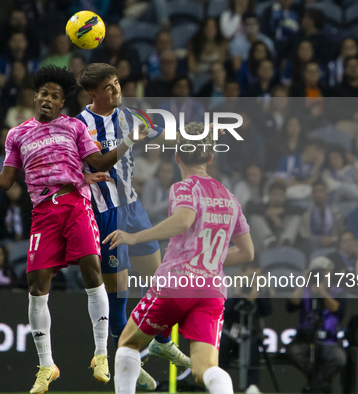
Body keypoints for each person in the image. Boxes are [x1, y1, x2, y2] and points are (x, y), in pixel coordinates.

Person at [0, 66, 150, 393]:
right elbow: (8, 179)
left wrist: (127, 141)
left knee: (91, 269)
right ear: (35, 97)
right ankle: (46, 366)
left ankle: (100, 355)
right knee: (36, 285)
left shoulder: (74, 127)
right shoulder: (17, 134)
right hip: (43, 211)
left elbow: (98, 163)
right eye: (44, 94)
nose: (48, 100)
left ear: (61, 103)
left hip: (75, 203)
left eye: (55, 96)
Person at [105, 122, 254, 394]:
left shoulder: (184, 188)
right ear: (210, 158)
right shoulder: (231, 198)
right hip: (212, 290)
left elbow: (183, 220)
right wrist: (209, 260)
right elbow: (247, 252)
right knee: (204, 370)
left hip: (177, 283)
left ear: (177, 157)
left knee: (128, 343)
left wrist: (136, 237)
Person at [76, 63, 190, 390]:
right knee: (119, 297)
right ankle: (127, 357)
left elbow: (166, 134)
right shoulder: (80, 126)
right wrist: (81, 176)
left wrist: (199, 136)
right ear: (92, 94)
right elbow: (85, 164)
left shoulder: (130, 115)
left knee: (162, 281)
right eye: (109, 88)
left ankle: (161, 341)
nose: (116, 92)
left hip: (134, 208)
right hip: (106, 213)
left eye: (117, 84)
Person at [286, 257, 347, 394]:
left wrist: (322, 293)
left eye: (325, 272)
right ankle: (319, 385)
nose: (322, 275)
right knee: (293, 352)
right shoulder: (305, 290)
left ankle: (313, 387)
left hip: (328, 341)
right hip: (304, 340)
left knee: (339, 358)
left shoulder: (337, 291)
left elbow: (338, 310)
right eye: (318, 272)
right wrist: (303, 282)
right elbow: (290, 306)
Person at [219, 262, 272, 394]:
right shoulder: (231, 285)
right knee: (222, 345)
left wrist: (257, 296)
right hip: (229, 331)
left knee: (252, 345)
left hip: (249, 332)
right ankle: (219, 383)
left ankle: (251, 386)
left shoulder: (261, 287)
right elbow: (223, 313)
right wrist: (236, 295)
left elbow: (267, 311)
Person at [248, 181, 304, 251]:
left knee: (296, 216)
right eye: (275, 195)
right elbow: (249, 209)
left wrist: (281, 211)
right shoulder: (263, 206)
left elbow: (301, 210)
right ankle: (269, 240)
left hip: (284, 243)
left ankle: (286, 241)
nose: (278, 198)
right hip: (264, 246)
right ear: (269, 195)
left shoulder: (287, 206)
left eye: (280, 195)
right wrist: (269, 214)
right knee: (254, 217)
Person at [300, 181, 345, 255]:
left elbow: (340, 232)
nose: (318, 195)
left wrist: (331, 239)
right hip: (312, 241)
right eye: (315, 192)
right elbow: (304, 234)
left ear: (326, 192)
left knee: (338, 242)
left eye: (321, 191)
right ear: (312, 194)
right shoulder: (306, 212)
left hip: (332, 239)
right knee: (313, 241)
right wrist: (320, 239)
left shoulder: (335, 212)